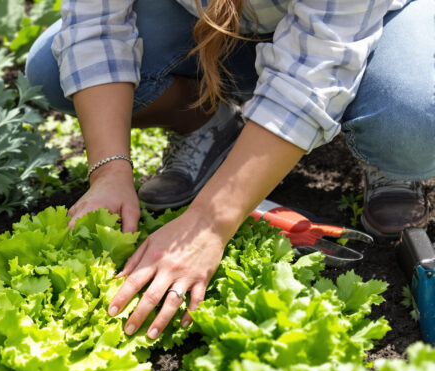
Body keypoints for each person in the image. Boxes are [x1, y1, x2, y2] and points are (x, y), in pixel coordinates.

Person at [25, 0, 434, 340]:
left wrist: (208, 222)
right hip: (217, 23)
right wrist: (109, 169)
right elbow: (93, 23)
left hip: (374, 19)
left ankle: (387, 155)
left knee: (415, 118)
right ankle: (204, 120)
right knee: (51, 71)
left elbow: (313, 74)